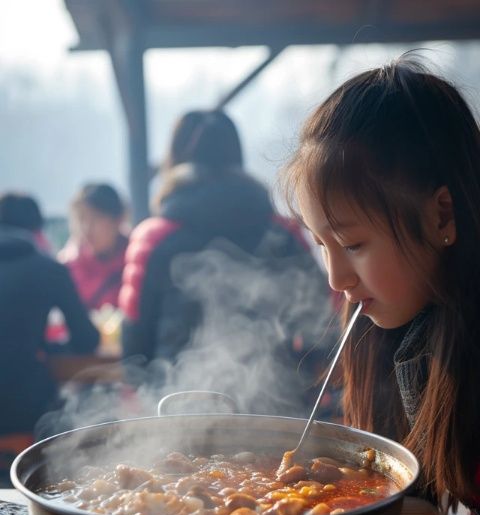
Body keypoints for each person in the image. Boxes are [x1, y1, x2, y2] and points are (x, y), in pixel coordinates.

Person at [284, 56, 480, 514]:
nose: (337, 278)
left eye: (352, 244)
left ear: (441, 216)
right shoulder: (393, 328)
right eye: (321, 244)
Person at [119, 109, 335, 416]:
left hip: (177, 410)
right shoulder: (283, 231)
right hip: (277, 409)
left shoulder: (154, 236)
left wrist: (139, 407)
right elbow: (322, 320)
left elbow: (134, 345)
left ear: (174, 157)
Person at [0, 193, 99, 482]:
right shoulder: (48, 269)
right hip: (24, 410)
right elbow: (86, 339)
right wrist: (48, 347)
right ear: (37, 231)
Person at [60, 183, 129, 311]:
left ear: (118, 219)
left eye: (95, 218)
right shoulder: (67, 267)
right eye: (81, 219)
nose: (86, 229)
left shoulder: (137, 260)